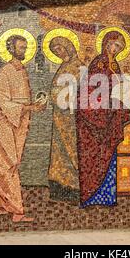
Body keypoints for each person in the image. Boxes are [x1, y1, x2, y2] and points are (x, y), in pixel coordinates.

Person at [0, 35, 45, 222]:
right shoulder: (5, 72)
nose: (24, 51)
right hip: (5, 123)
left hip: (18, 121)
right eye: (21, 48)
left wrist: (32, 106)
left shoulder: (21, 71)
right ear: (11, 49)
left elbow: (20, 100)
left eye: (25, 47)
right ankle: (17, 211)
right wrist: (30, 107)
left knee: (3, 163)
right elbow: (4, 103)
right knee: (8, 162)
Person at [76, 31, 130, 207]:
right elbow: (90, 89)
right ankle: (90, 197)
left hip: (110, 116)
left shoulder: (115, 64)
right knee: (92, 157)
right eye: (113, 45)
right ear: (106, 43)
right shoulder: (99, 63)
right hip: (94, 117)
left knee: (109, 155)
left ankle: (107, 197)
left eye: (119, 47)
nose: (115, 49)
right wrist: (106, 103)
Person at [48, 36, 83, 203]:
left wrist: (60, 95)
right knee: (59, 153)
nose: (59, 53)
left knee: (72, 150)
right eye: (55, 51)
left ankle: (75, 188)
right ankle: (59, 187)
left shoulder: (78, 66)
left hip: (71, 117)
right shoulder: (63, 66)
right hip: (59, 117)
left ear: (68, 47)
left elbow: (80, 90)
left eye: (60, 49)